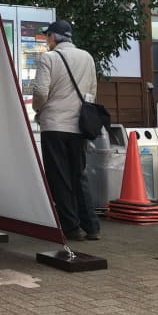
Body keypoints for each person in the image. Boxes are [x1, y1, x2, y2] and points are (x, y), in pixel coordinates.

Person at [33, 19, 101, 241]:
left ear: (53, 37)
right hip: (79, 125)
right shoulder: (87, 57)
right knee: (78, 174)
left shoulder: (49, 59)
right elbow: (92, 92)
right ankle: (91, 226)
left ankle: (71, 227)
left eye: (47, 37)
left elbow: (41, 92)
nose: (46, 41)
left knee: (59, 177)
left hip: (54, 125)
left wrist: (37, 109)